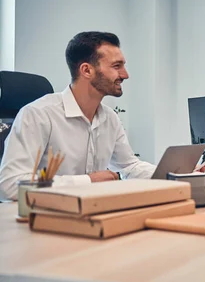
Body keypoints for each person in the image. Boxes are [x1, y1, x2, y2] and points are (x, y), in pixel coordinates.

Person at [0, 32, 155, 200]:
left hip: (91, 213)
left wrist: (177, 174)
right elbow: (9, 184)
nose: (125, 75)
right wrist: (88, 181)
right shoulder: (38, 115)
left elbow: (129, 167)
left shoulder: (110, 118)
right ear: (87, 70)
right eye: (117, 66)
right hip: (41, 218)